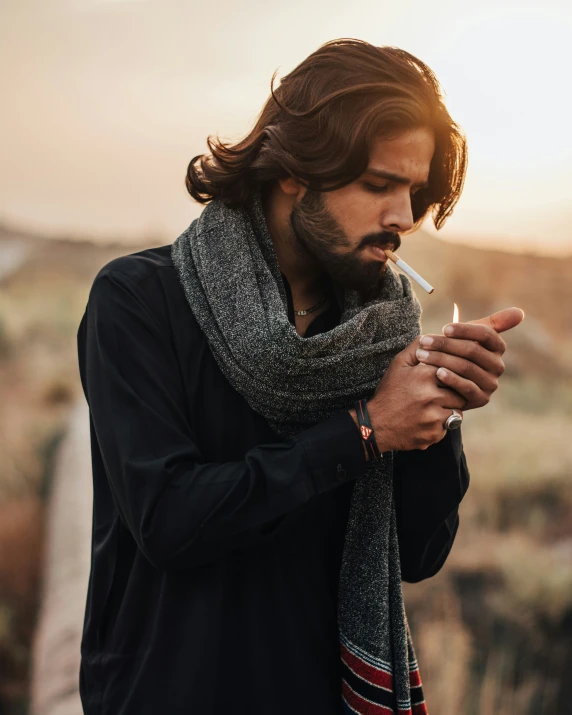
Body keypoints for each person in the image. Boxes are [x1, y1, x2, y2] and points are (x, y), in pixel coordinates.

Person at [76, 38, 524, 715]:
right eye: (378, 185)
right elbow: (169, 519)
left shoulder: (378, 335)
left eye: (413, 190)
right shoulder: (140, 301)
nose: (404, 216)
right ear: (294, 169)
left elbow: (420, 553)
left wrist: (439, 410)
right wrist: (365, 430)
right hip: (170, 689)